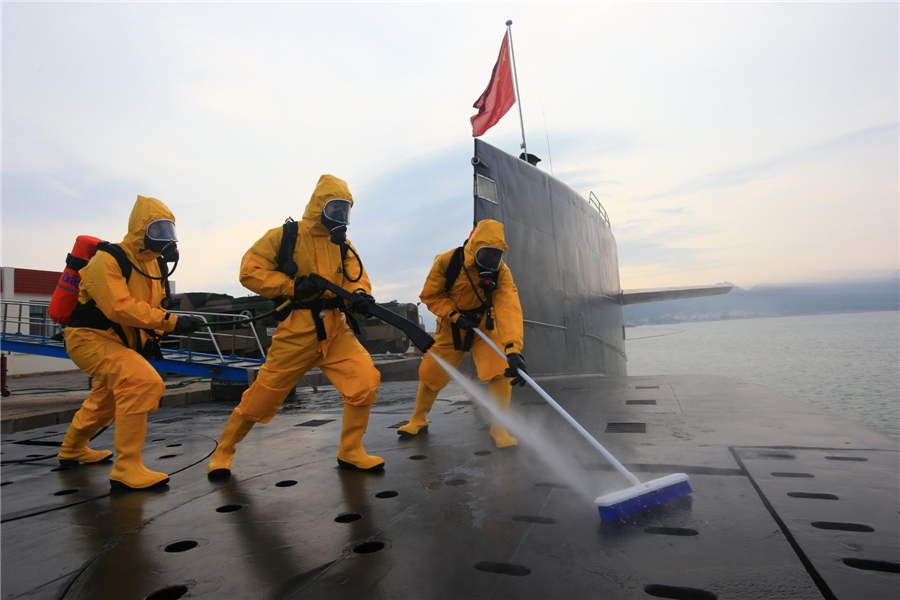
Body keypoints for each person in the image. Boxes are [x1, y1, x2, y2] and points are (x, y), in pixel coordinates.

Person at [207, 174, 383, 478]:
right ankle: (223, 453)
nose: (341, 215)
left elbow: (357, 278)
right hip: (297, 330)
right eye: (335, 208)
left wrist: (361, 296)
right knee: (261, 397)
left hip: (336, 329)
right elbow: (250, 271)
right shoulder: (285, 235)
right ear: (319, 207)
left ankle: (351, 450)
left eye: (345, 209)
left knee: (364, 381)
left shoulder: (343, 244)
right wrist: (291, 286)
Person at [58, 195, 202, 490]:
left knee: (104, 402)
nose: (165, 237)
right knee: (140, 382)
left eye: (168, 231)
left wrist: (170, 326)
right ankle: (127, 468)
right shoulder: (107, 260)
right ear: (140, 229)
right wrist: (172, 322)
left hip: (120, 343)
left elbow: (151, 308)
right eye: (158, 230)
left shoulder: (155, 266)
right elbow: (119, 308)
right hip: (90, 339)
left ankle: (72, 448)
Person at [398, 219, 527, 448]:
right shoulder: (448, 262)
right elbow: (431, 295)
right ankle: (418, 419)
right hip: (452, 324)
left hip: (484, 324)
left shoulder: (501, 273)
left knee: (499, 370)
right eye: (485, 254)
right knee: (432, 371)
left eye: (495, 256)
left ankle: (499, 429)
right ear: (473, 248)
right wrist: (456, 316)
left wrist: (513, 349)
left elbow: (508, 308)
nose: (490, 261)